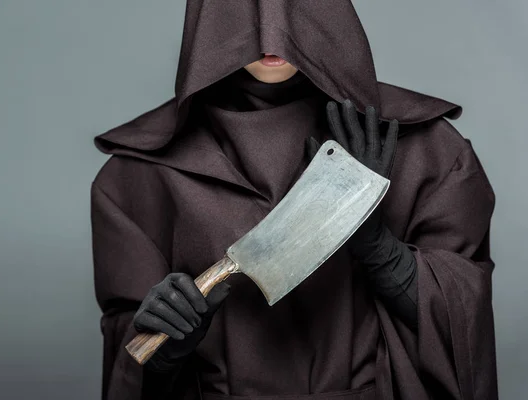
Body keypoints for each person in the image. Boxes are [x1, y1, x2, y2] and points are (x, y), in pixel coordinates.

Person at [90, 1, 497, 399]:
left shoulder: (423, 147)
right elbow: (131, 366)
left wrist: (378, 246)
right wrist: (164, 350)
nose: (272, 26)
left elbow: (464, 323)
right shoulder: (137, 176)